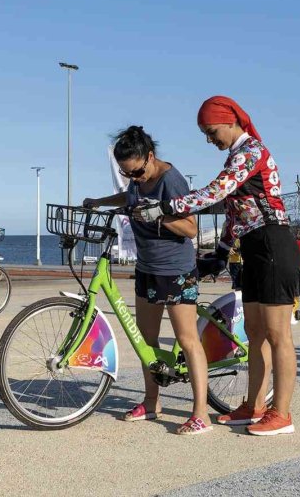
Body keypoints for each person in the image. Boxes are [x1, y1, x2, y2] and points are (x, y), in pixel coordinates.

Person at [134, 95, 300, 436]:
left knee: (278, 334)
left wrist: (166, 208)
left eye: (211, 132)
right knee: (255, 333)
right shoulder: (236, 156)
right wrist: (222, 252)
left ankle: (281, 412)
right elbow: (233, 210)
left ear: (230, 121)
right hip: (253, 246)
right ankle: (254, 406)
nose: (210, 140)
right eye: (205, 135)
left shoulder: (252, 151)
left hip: (274, 242)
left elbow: (216, 192)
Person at [83, 127, 209, 435]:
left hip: (175, 269)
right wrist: (99, 201)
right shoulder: (135, 180)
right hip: (147, 267)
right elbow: (128, 197)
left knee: (187, 340)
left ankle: (201, 413)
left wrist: (159, 216)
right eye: (127, 174)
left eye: (137, 172)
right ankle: (152, 402)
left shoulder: (170, 180)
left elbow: (191, 228)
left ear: (149, 157)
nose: (134, 179)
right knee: (146, 342)